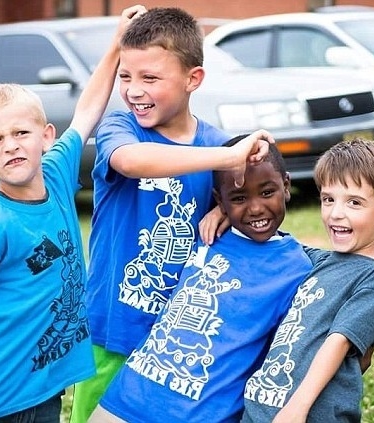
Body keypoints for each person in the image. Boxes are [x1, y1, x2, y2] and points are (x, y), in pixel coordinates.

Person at [0, 5, 147, 422]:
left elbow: (87, 112)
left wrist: (117, 44)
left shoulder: (57, 173)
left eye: (21, 133)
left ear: (45, 137)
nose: (10, 145)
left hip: (43, 391)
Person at [71, 7, 275, 422]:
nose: (133, 90)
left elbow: (254, 212)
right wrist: (228, 155)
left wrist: (225, 211)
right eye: (126, 77)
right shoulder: (120, 129)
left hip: (177, 339)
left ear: (192, 79)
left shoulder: (216, 144)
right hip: (112, 330)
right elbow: (131, 161)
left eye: (150, 78)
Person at [89, 136, 313, 422]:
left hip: (200, 414)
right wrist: (223, 210)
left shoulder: (297, 269)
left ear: (287, 185)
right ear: (220, 200)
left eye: (267, 193)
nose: (256, 208)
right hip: (126, 399)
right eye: (239, 198)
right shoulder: (204, 234)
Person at [241, 138, 374, 423]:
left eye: (354, 202)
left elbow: (340, 342)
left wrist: (297, 408)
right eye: (328, 199)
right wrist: (223, 213)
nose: (335, 213)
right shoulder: (315, 260)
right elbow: (269, 240)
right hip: (259, 409)